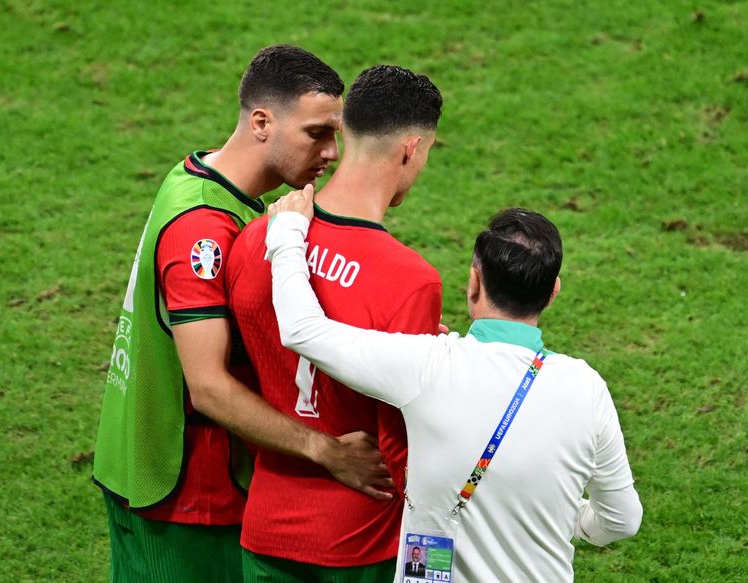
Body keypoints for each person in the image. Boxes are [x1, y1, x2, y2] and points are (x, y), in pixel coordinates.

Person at [92, 45, 389, 583]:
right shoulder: (203, 231)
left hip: (172, 469)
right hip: (184, 493)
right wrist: (325, 451)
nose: (331, 153)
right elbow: (207, 386)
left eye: (336, 136)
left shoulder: (210, 179)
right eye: (317, 133)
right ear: (261, 123)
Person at [265, 190, 644, 583]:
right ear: (553, 292)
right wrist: (570, 517)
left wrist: (287, 231)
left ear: (474, 281)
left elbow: (303, 330)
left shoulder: (427, 365)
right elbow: (622, 520)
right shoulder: (587, 388)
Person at [225, 65, 444, 581]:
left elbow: (235, 377)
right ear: (410, 149)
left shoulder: (256, 239)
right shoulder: (412, 282)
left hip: (265, 530)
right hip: (363, 541)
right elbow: (403, 441)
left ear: (343, 130)